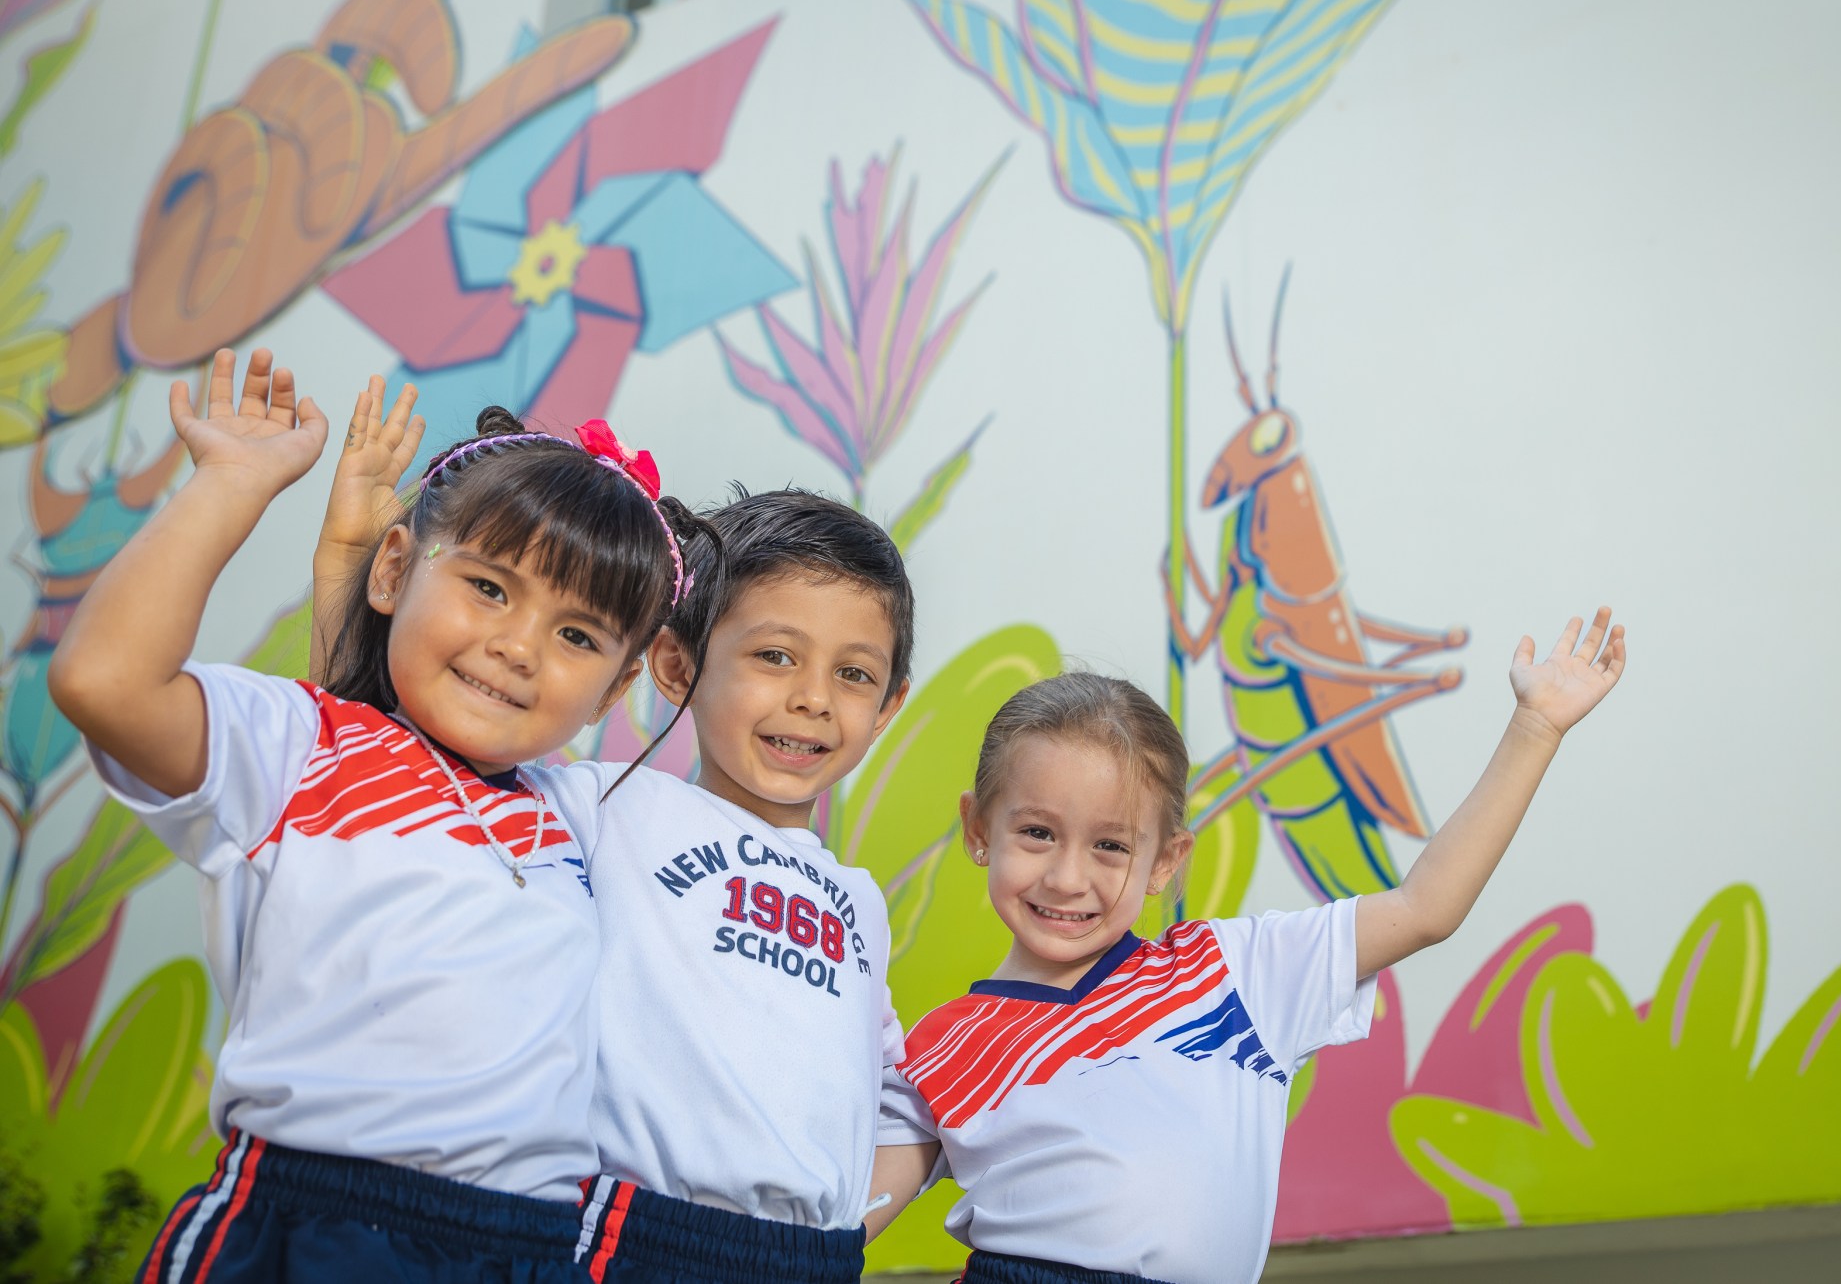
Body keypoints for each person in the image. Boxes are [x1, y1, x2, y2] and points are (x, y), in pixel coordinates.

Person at [53, 352, 707, 1284]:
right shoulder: (300, 751)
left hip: (529, 1249)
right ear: (396, 567)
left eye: (577, 636)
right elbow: (104, 681)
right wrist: (235, 485)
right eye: (488, 586)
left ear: (618, 686)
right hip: (318, 1224)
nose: (518, 647)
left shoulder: (582, 820)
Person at [311, 392, 916, 1284]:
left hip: (809, 1259)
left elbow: (900, 1100)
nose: (814, 698)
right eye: (774, 656)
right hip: (626, 1232)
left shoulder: (861, 906)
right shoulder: (598, 806)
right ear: (675, 666)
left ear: (888, 707)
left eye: (854, 674)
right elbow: (386, 769)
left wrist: (847, 1226)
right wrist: (343, 574)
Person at [866, 612, 1627, 1284]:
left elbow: (1425, 908)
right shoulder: (940, 1046)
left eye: (1110, 844)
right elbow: (835, 1227)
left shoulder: (1235, 972)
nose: (1068, 876)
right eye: (1037, 832)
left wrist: (1536, 729)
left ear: (1166, 860)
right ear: (978, 829)